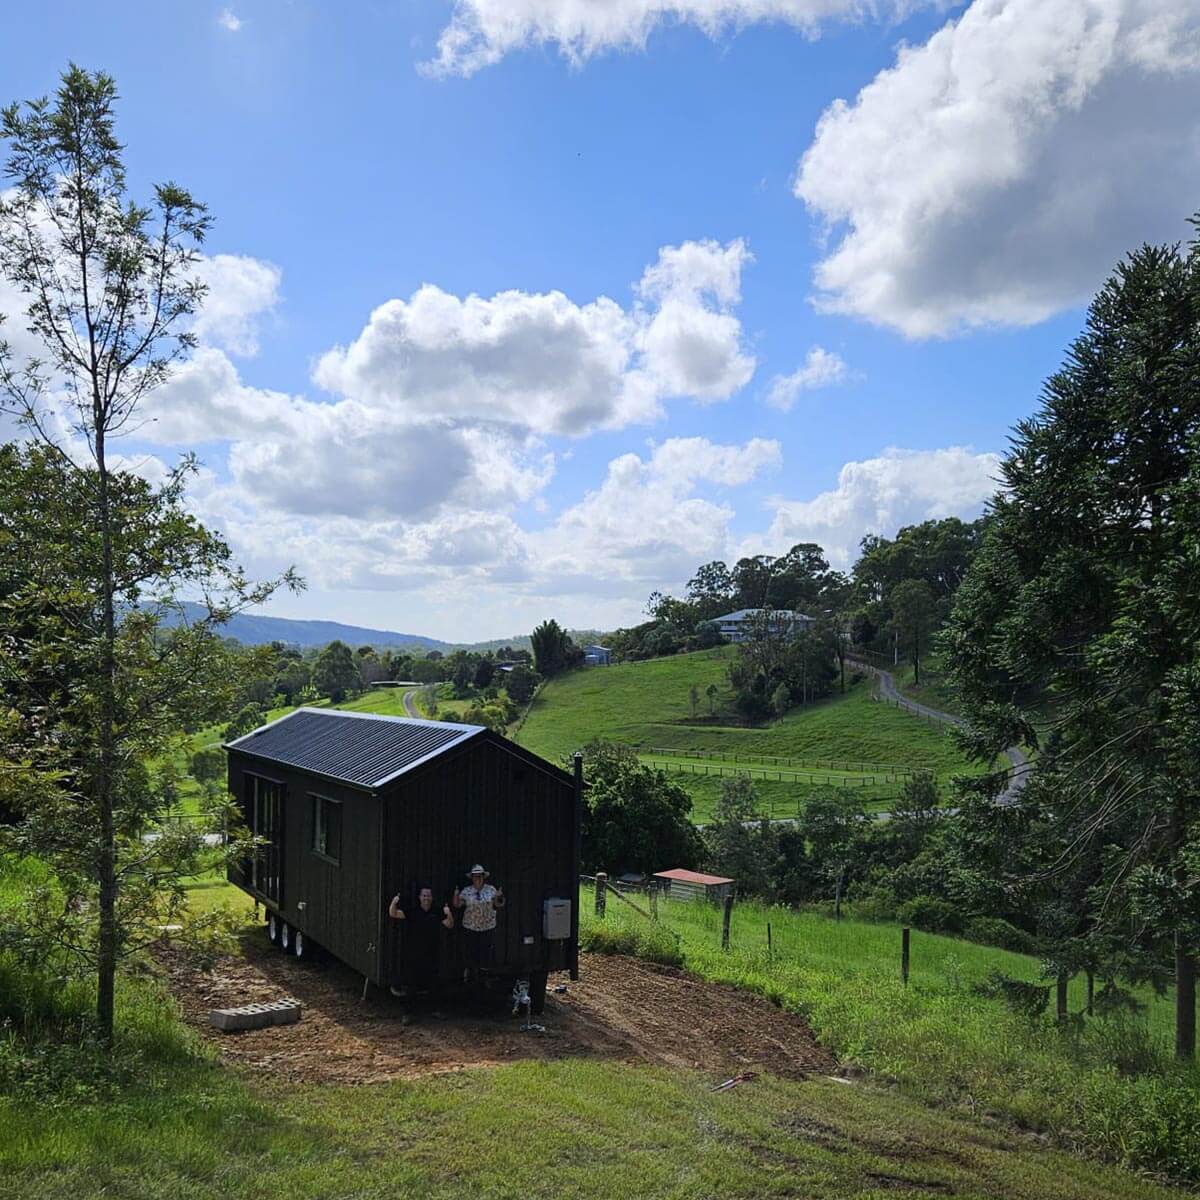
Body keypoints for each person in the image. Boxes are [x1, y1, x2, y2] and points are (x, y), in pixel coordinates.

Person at [389, 885, 453, 1000]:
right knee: (412, 982)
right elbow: (393, 913)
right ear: (419, 897)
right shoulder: (413, 911)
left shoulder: (437, 911)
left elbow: (450, 924)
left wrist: (449, 913)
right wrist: (394, 902)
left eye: (428, 896)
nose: (426, 898)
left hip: (432, 951)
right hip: (414, 952)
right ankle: (410, 1007)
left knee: (432, 982)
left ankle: (433, 1006)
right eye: (424, 895)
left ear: (432, 898)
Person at [452, 864, 505, 987]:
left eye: (480, 876)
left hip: (487, 927)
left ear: (483, 877)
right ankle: (471, 978)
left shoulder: (491, 890)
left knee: (485, 954)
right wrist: (455, 894)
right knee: (471, 953)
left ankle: (484, 978)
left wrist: (500, 896)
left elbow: (499, 904)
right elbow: (457, 905)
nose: (478, 878)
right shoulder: (467, 891)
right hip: (470, 927)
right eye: (475, 876)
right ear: (472, 878)